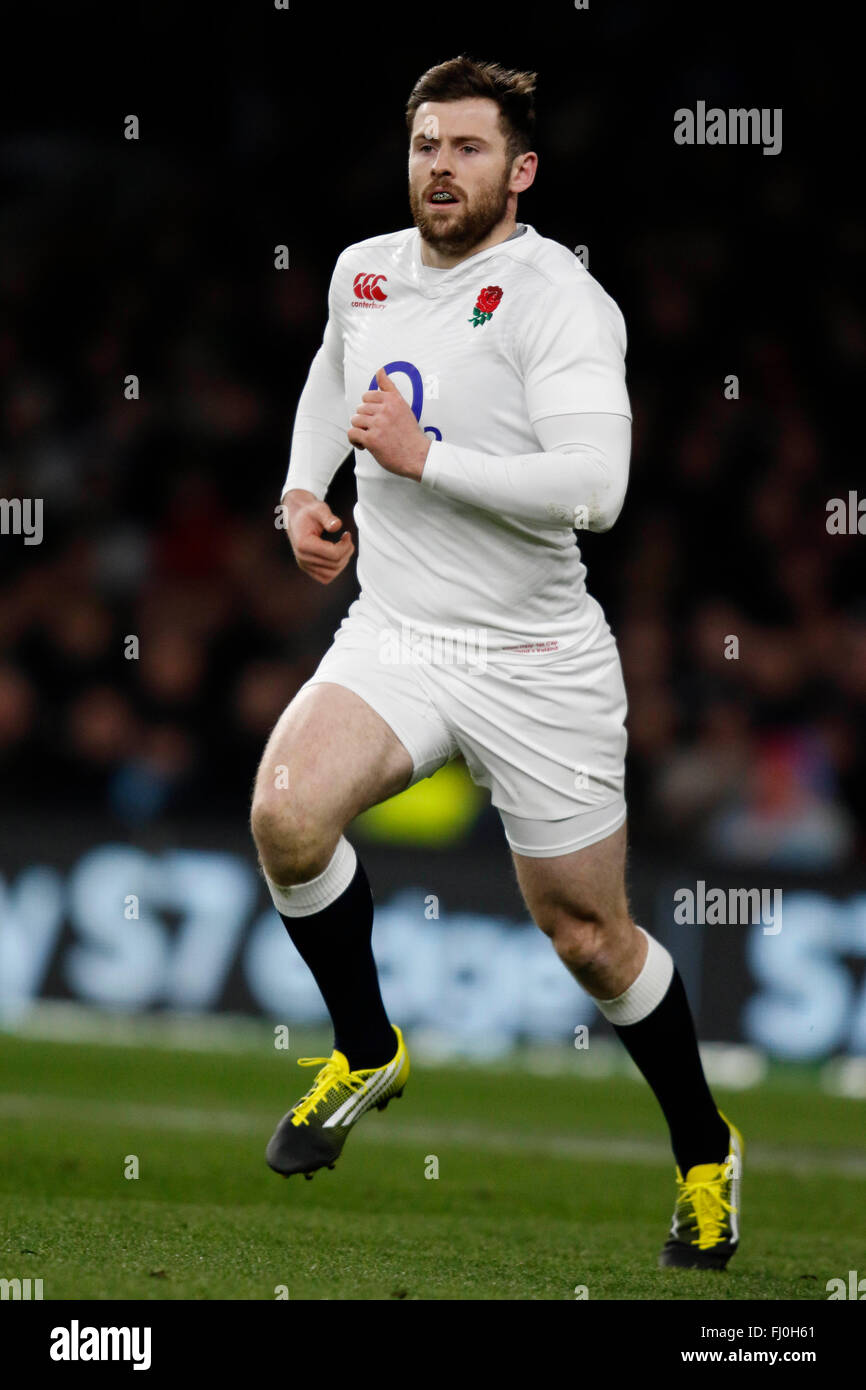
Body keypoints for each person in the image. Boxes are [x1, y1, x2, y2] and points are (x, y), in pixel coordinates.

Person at [250, 55, 742, 1270]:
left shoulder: (556, 299)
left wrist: (424, 463)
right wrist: (306, 488)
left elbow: (597, 489)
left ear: (518, 171)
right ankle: (365, 1049)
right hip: (399, 631)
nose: (439, 168)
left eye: (468, 149)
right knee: (286, 815)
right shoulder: (363, 268)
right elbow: (333, 370)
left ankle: (702, 1150)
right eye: (425, 145)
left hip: (534, 657)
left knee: (586, 935)